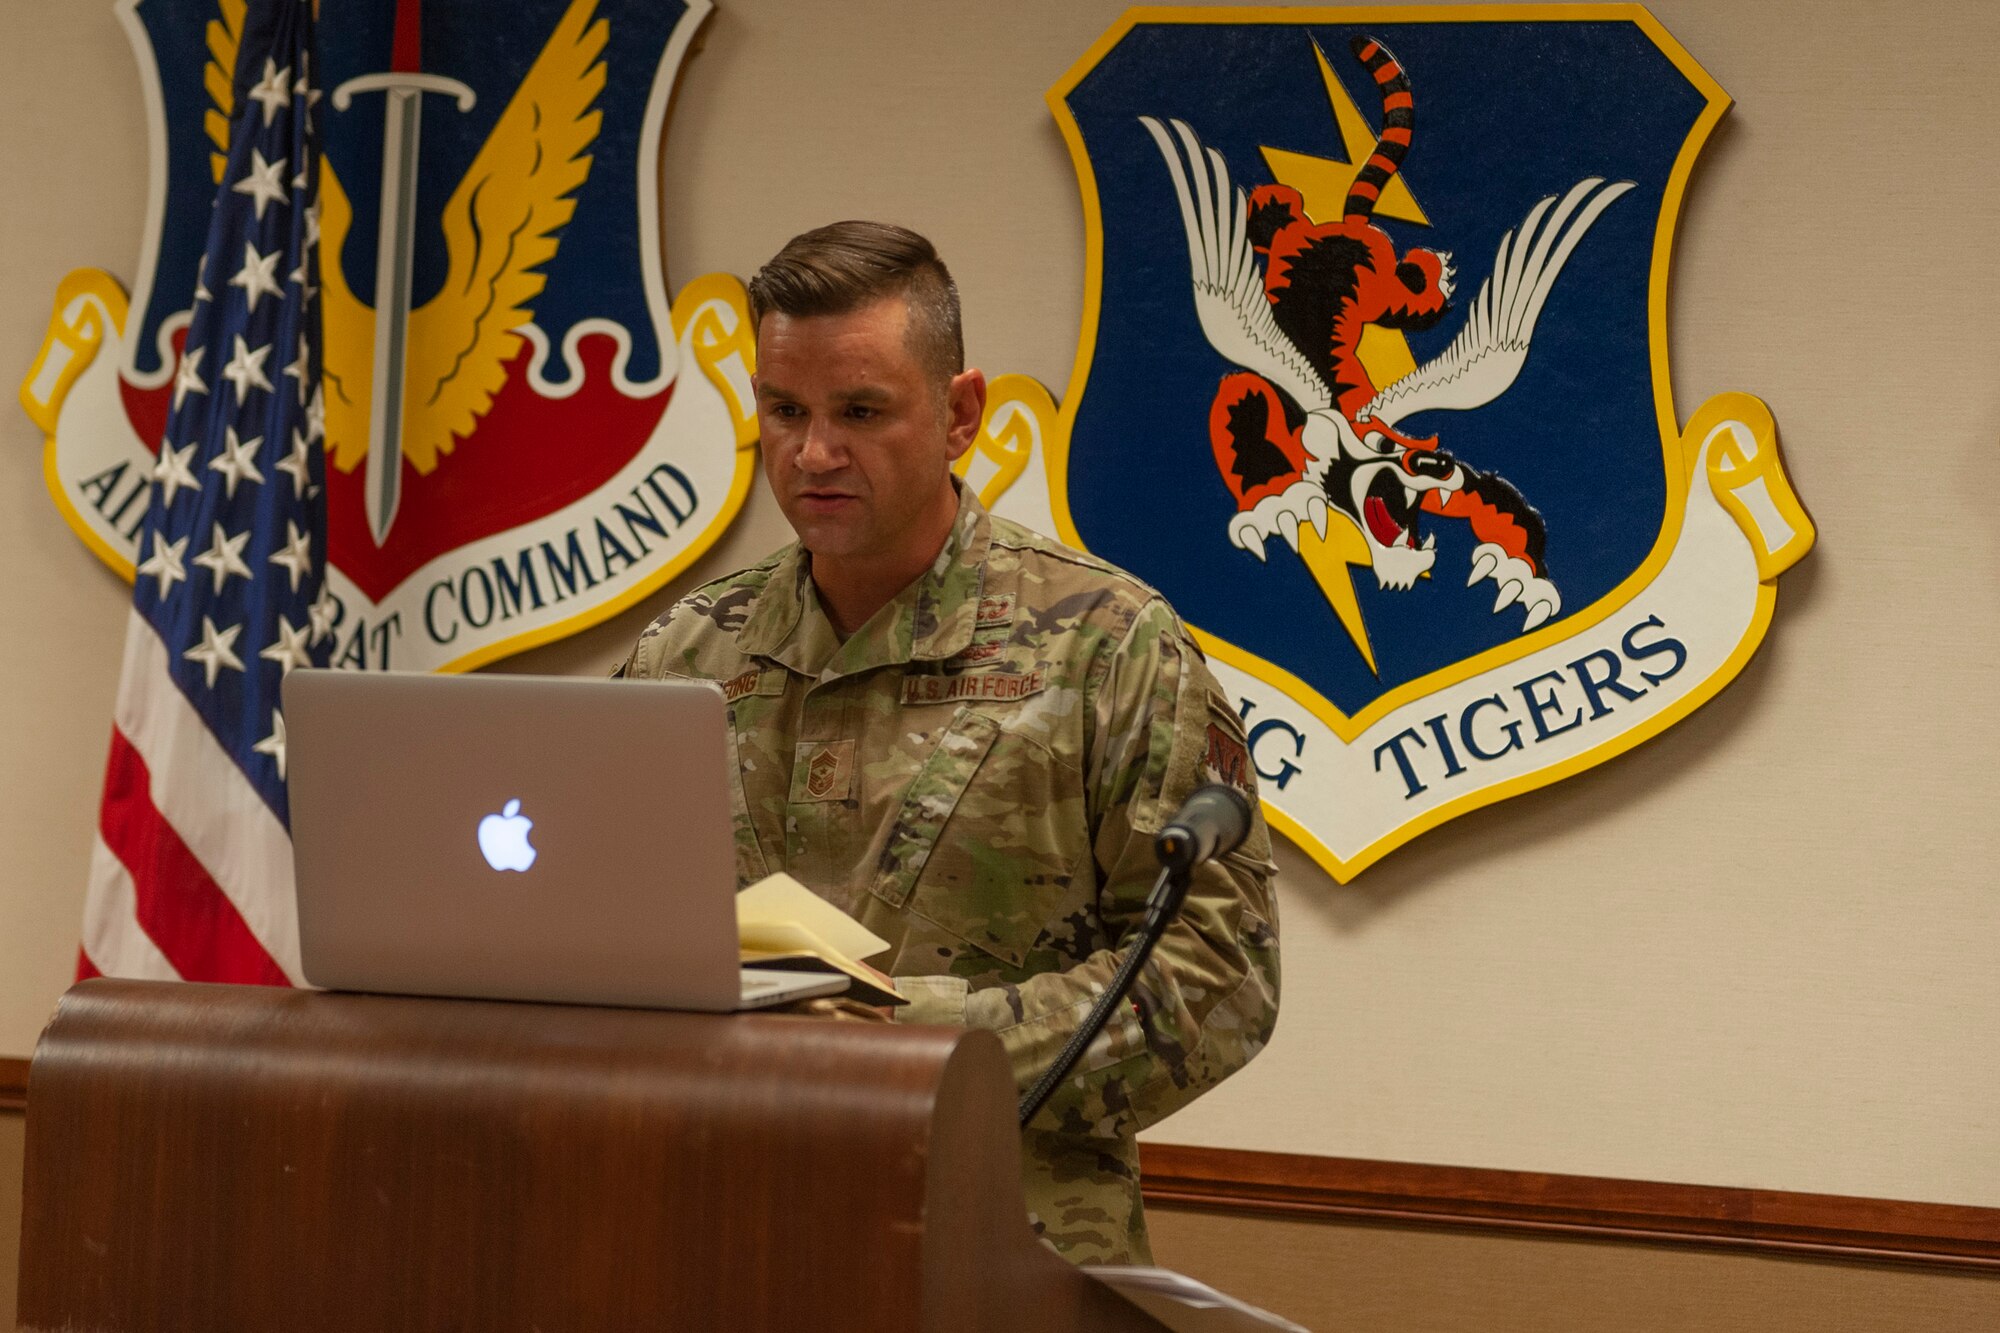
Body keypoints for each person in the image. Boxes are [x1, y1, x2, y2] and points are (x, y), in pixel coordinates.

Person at [617, 221, 1279, 1265]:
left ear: (960, 413)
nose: (813, 452)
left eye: (861, 411)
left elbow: (1216, 983)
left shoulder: (1103, 647)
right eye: (783, 410)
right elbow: (609, 940)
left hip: (1004, 1255)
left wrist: (902, 1044)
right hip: (722, 1235)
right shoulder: (685, 655)